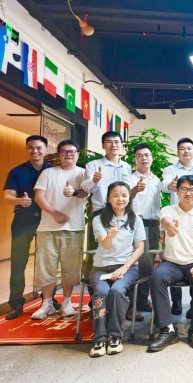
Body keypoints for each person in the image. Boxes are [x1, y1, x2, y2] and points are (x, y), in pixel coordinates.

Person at [148, 175, 193, 352]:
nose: (188, 193)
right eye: (184, 189)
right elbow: (165, 220)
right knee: (156, 278)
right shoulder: (168, 210)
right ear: (177, 191)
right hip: (172, 263)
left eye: (192, 189)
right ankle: (167, 330)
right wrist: (169, 226)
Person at [32, 140, 88, 319]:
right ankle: (47, 303)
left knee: (70, 267)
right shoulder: (48, 173)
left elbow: (86, 192)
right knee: (46, 266)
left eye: (72, 151)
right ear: (59, 154)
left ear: (77, 154)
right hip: (47, 227)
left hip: (74, 227)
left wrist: (74, 192)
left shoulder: (82, 173)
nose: (68, 154)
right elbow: (39, 196)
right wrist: (55, 213)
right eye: (64, 151)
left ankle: (66, 302)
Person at [89, 182, 146, 357]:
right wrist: (110, 236)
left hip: (127, 267)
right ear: (108, 199)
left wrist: (125, 267)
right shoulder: (99, 219)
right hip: (101, 267)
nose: (120, 199)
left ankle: (115, 335)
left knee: (117, 291)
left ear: (129, 198)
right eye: (115, 195)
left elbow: (140, 248)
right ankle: (99, 338)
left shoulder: (135, 220)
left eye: (124, 195)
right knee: (101, 293)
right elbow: (106, 245)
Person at [82, 131, 134, 318]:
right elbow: (86, 189)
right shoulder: (93, 165)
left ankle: (125, 304)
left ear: (121, 145)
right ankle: (96, 301)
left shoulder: (127, 166)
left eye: (117, 142)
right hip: (101, 214)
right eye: (109, 142)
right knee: (96, 256)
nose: (113, 145)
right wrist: (94, 180)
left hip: (123, 213)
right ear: (103, 145)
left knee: (124, 254)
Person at [3, 135, 52, 320]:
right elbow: (7, 196)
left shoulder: (52, 171)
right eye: (31, 147)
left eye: (39, 148)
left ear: (46, 150)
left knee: (48, 262)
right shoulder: (17, 171)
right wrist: (19, 201)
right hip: (23, 221)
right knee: (18, 263)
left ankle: (49, 301)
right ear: (27, 149)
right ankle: (16, 304)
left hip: (47, 220)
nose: (35, 151)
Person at [160, 137, 193, 316]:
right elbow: (164, 185)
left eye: (189, 148)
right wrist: (171, 185)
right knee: (174, 258)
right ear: (178, 152)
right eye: (182, 148)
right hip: (175, 219)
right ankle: (176, 301)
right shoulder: (170, 169)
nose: (186, 151)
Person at [123, 144, 161, 314]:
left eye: (147, 155)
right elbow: (125, 198)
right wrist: (134, 190)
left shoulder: (156, 180)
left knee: (148, 264)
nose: (144, 158)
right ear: (135, 159)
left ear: (151, 158)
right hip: (136, 224)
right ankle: (130, 304)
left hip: (153, 225)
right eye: (140, 156)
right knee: (135, 263)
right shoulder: (129, 179)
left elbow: (157, 204)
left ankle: (143, 300)